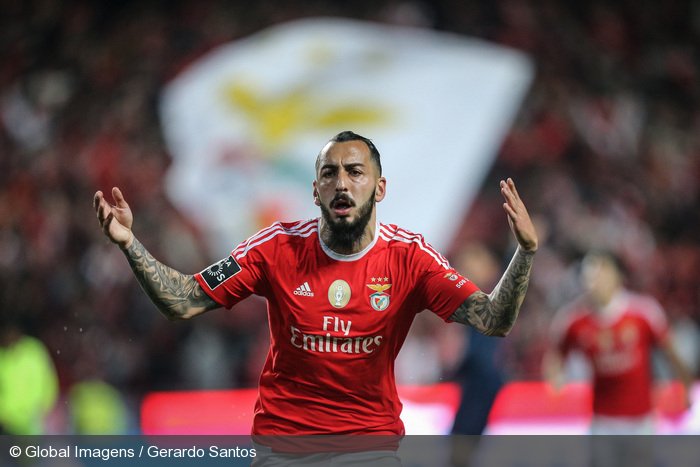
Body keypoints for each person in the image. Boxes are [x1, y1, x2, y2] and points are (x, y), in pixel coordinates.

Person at [94, 131, 538, 459]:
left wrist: (524, 253)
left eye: (355, 172)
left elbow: (494, 319)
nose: (342, 183)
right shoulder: (274, 247)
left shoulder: (410, 257)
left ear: (380, 188)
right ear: (314, 190)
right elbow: (184, 300)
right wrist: (130, 244)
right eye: (330, 173)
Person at [543, 250, 693, 465]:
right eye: (590, 274)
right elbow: (556, 356)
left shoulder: (643, 312)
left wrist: (685, 387)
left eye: (601, 272)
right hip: (602, 422)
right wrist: (555, 383)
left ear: (617, 276)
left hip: (640, 421)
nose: (595, 280)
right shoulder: (574, 321)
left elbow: (671, 353)